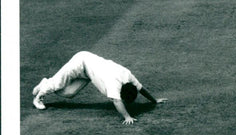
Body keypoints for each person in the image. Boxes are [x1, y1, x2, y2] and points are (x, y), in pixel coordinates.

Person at [31, 50, 166, 124]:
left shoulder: (128, 76)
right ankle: (38, 98)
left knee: (69, 93)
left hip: (88, 73)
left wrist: (154, 100)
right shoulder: (114, 83)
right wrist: (127, 117)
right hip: (80, 62)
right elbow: (116, 101)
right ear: (122, 93)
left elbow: (141, 89)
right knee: (57, 84)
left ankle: (45, 84)